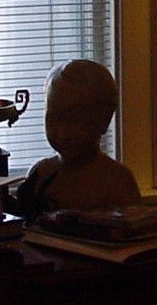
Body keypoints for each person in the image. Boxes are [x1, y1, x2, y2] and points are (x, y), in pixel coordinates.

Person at [10, 59, 141, 218]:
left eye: (75, 120)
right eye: (54, 117)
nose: (63, 132)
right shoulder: (40, 173)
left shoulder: (117, 181)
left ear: (104, 120)